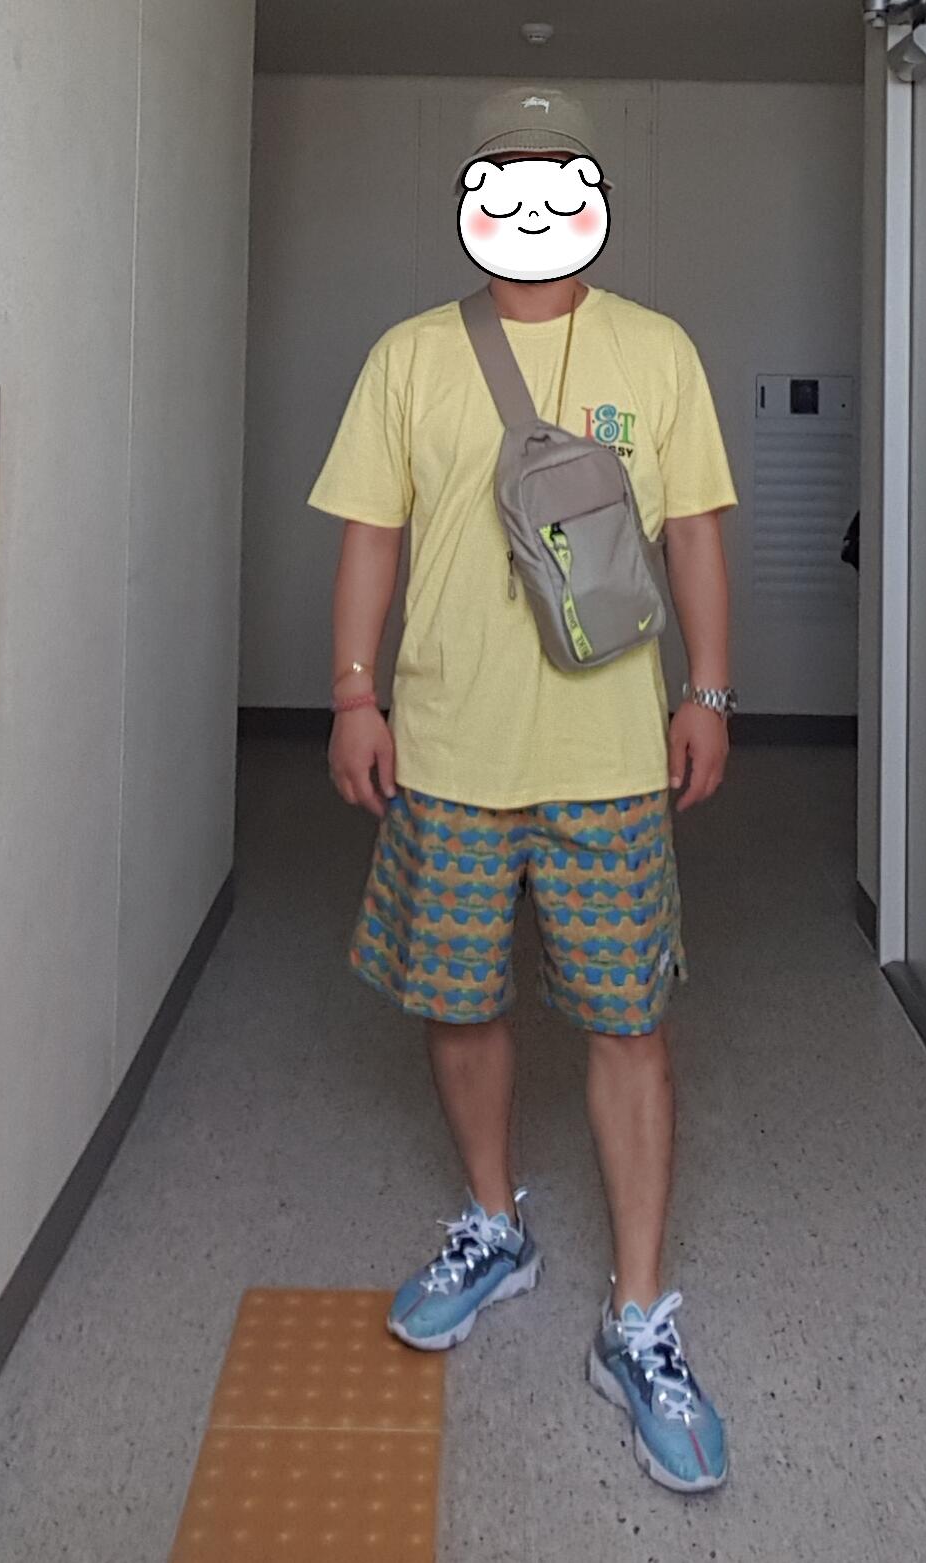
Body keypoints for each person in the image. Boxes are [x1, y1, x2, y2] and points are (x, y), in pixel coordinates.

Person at [306, 86, 739, 1494]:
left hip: (611, 754)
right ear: (474, 197)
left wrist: (708, 693)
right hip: (448, 749)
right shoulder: (409, 356)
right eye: (509, 180)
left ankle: (639, 1316)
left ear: (594, 196)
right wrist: (355, 695)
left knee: (630, 1023)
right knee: (459, 998)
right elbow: (370, 536)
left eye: (561, 181)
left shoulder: (655, 350)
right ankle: (495, 1226)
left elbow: (696, 534)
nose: (535, 205)